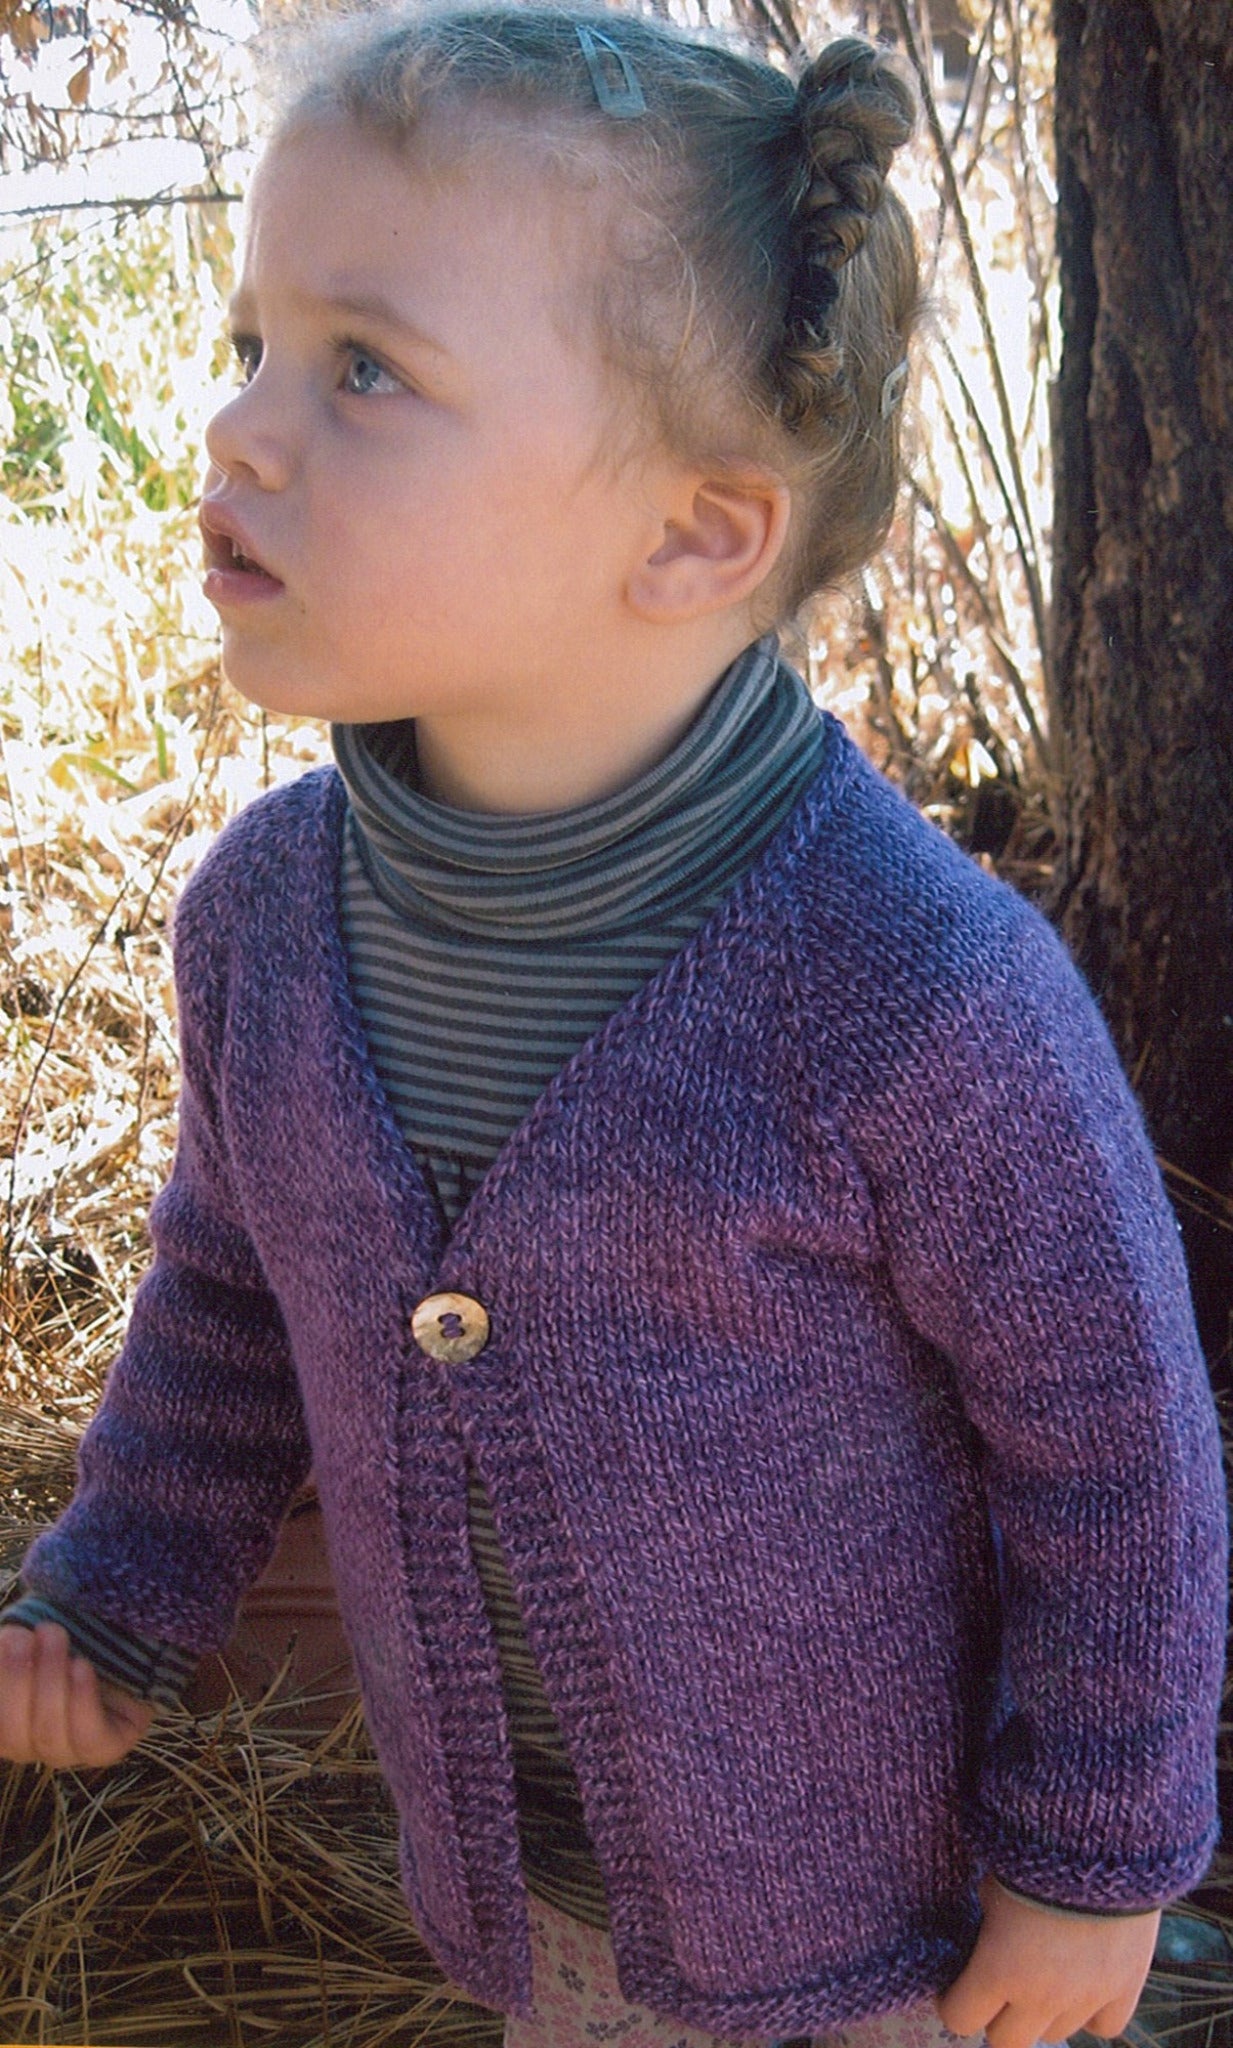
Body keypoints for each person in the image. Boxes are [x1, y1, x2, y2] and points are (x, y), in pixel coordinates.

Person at [0, 6, 1226, 2048]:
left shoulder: (913, 995)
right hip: (517, 1902)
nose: (237, 432)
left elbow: (1115, 1455)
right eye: (253, 349)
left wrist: (1094, 1858)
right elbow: (232, 1292)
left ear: (689, 532)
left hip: (890, 1955)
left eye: (367, 368)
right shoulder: (268, 930)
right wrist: (115, 1587)